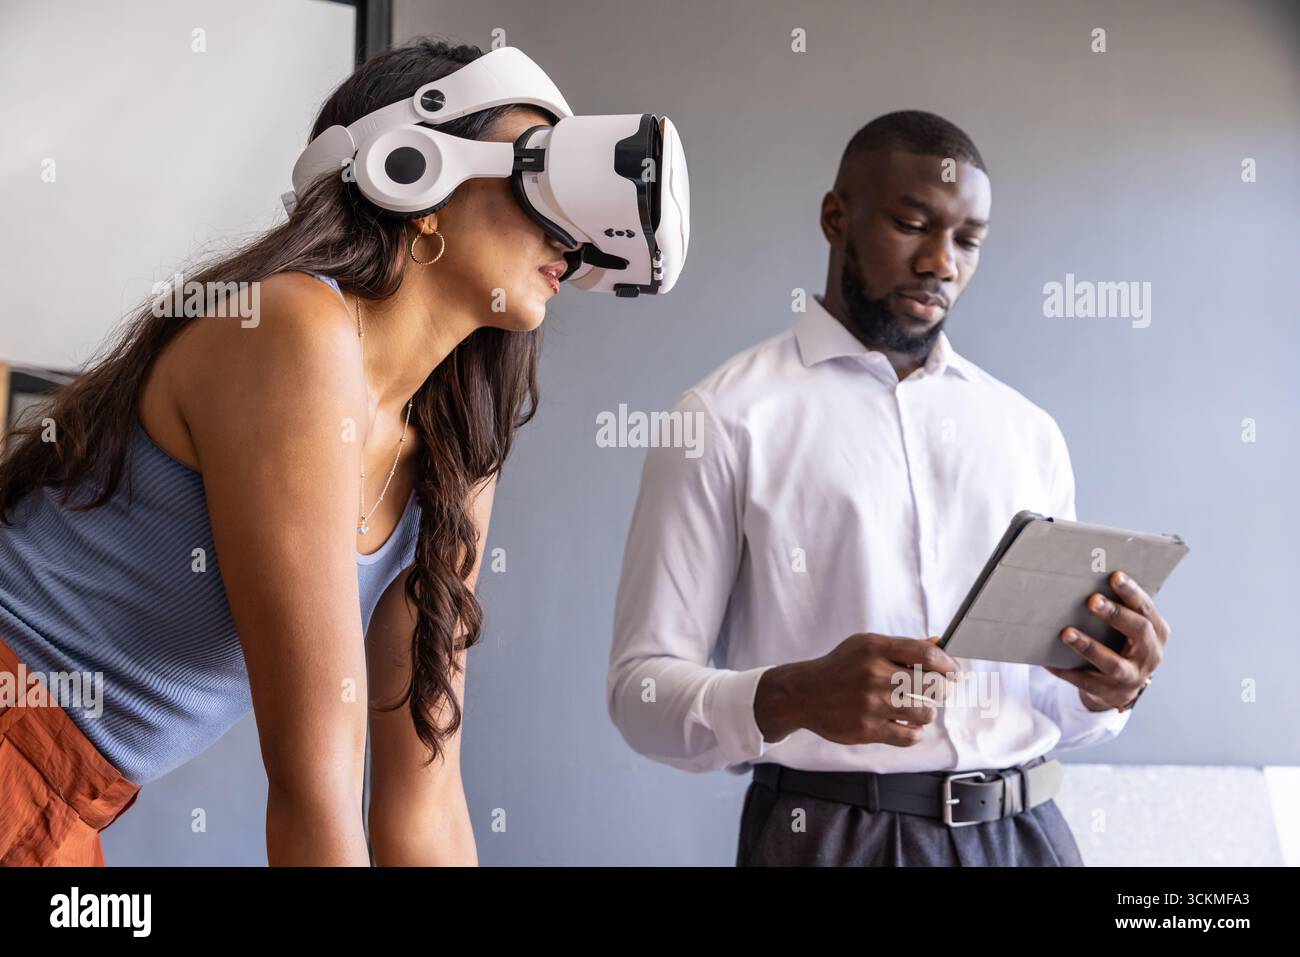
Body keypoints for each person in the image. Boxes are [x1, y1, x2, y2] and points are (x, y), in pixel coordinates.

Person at [0, 38, 579, 866]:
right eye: (535, 172)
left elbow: (425, 801)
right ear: (417, 176)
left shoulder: (455, 457)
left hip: (70, 806)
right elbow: (317, 783)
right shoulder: (289, 328)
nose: (569, 228)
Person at [607, 110, 1170, 867]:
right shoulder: (722, 419)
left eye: (968, 240)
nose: (941, 262)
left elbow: (1053, 710)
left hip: (1029, 835)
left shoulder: (1027, 430)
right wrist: (793, 695)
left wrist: (1110, 687)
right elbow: (639, 695)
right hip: (832, 840)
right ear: (836, 216)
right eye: (912, 224)